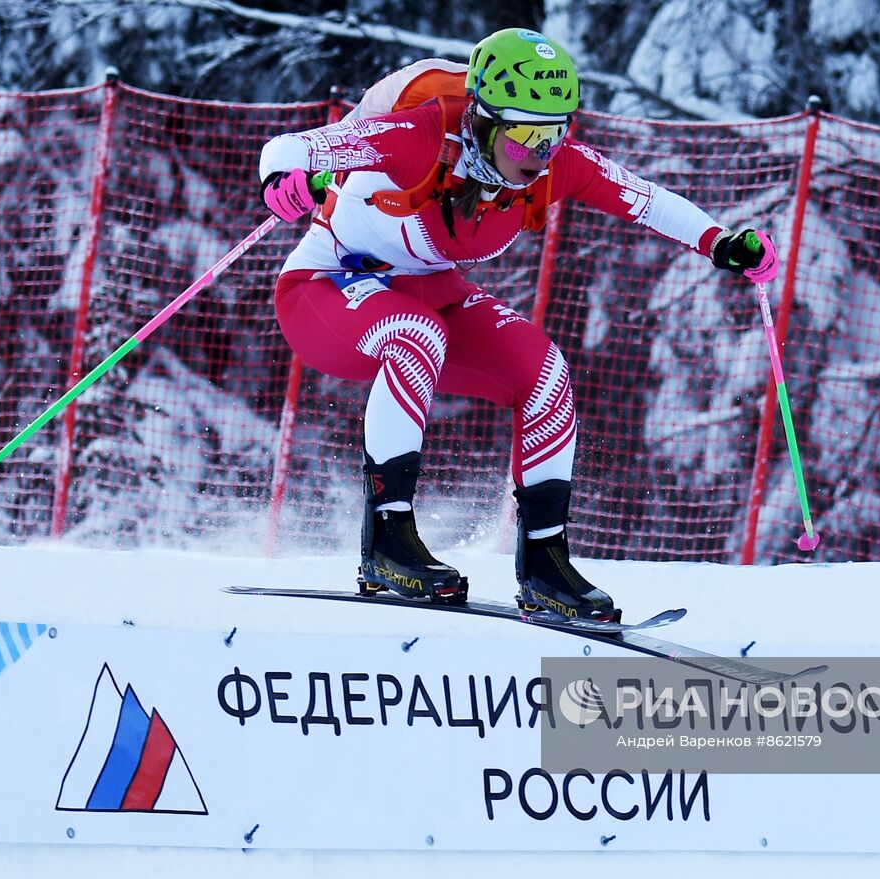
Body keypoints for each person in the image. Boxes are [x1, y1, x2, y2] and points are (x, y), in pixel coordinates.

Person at [259, 27, 772, 621]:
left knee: (543, 372)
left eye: (553, 135)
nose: (538, 154)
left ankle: (545, 564)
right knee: (415, 334)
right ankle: (388, 544)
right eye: (524, 133)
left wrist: (721, 242)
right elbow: (294, 147)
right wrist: (285, 181)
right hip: (328, 290)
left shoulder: (553, 166)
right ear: (481, 117)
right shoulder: (422, 138)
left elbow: (644, 198)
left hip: (430, 295)